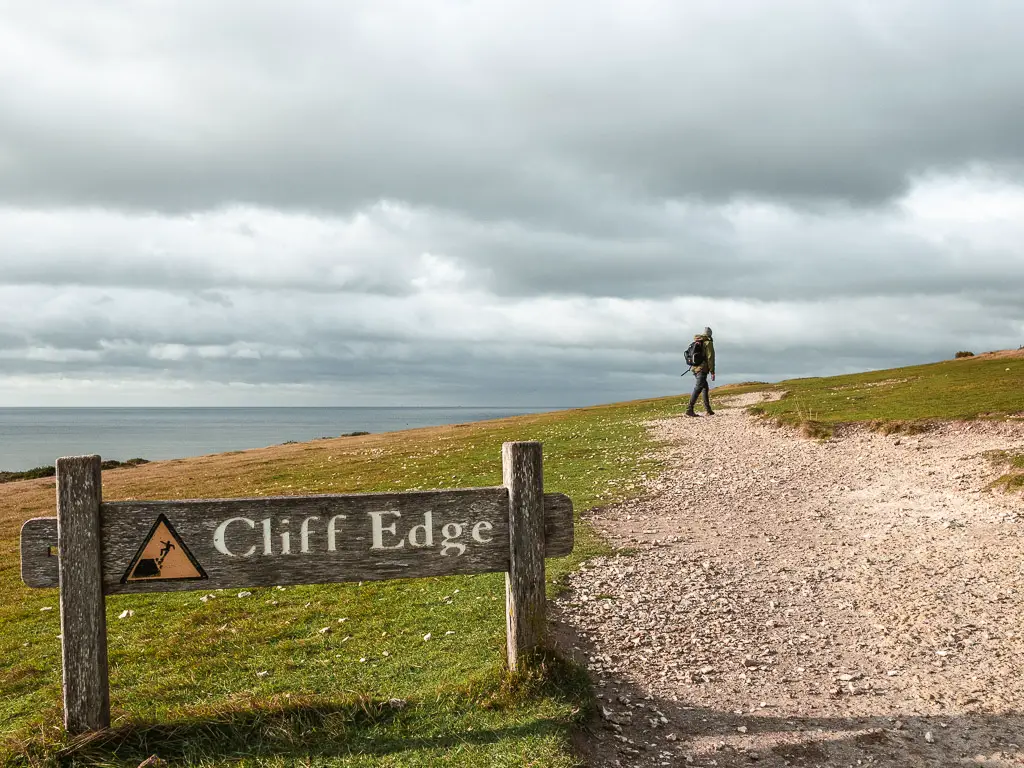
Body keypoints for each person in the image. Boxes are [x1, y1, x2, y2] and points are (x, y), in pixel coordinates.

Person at [686, 327, 715, 417]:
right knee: (698, 388)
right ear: (710, 334)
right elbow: (710, 358)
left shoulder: (697, 341)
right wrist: (712, 371)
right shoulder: (708, 343)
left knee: (704, 387)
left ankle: (708, 410)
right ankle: (689, 409)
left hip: (695, 368)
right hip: (702, 368)